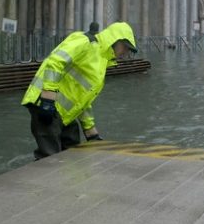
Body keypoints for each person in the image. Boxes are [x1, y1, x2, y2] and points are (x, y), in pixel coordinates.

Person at [20, 21, 137, 159]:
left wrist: (90, 130)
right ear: (116, 40)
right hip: (45, 104)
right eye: (125, 47)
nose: (125, 52)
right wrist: (47, 97)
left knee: (72, 149)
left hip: (63, 113)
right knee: (49, 156)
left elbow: (82, 100)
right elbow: (55, 61)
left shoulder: (101, 60)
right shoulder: (86, 42)